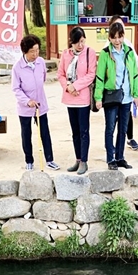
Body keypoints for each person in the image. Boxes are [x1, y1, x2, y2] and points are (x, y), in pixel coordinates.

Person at [94, 21, 138, 170]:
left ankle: (120, 157)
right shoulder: (105, 53)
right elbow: (100, 76)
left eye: (119, 37)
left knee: (123, 128)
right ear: (109, 38)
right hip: (112, 96)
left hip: (126, 96)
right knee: (110, 128)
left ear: (123, 36)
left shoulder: (129, 52)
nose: (117, 41)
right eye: (114, 38)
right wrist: (98, 97)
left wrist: (135, 94)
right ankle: (110, 159)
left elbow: (133, 74)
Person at [11, 34, 59, 171]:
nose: (35, 54)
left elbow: (42, 78)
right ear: (25, 51)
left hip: (40, 104)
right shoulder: (17, 67)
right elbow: (16, 89)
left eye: (37, 50)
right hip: (25, 107)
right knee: (26, 133)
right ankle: (29, 160)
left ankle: (50, 159)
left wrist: (36, 97)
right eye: (32, 51)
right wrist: (27, 101)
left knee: (45, 131)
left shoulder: (41, 62)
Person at [57, 27, 97, 175]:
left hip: (83, 97)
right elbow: (60, 73)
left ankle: (84, 161)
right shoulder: (65, 55)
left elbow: (91, 74)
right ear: (71, 42)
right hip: (69, 97)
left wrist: (75, 85)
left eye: (82, 41)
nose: (80, 45)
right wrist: (68, 87)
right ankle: (78, 159)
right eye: (77, 42)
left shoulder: (90, 53)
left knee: (83, 130)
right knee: (74, 131)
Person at [108, 15, 138, 151]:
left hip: (126, 89)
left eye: (121, 26)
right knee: (112, 119)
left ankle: (129, 139)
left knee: (126, 115)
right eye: (116, 25)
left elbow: (136, 63)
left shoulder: (128, 46)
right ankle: (110, 145)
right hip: (113, 91)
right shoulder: (107, 49)